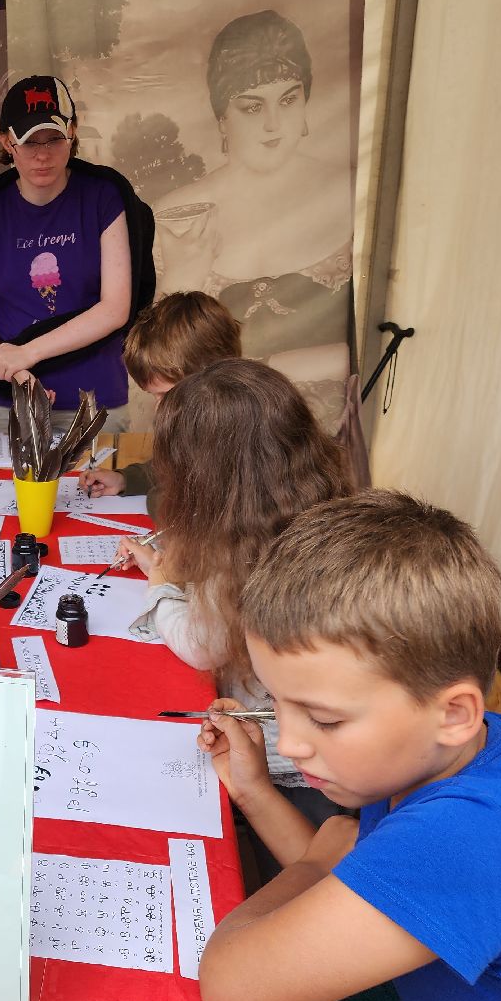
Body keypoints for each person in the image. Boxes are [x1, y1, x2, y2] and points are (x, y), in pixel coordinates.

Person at [198, 490, 501, 1001]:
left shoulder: (471, 839)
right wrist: (254, 790)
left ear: (452, 714)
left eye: (326, 719)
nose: (288, 742)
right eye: (274, 700)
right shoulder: (473, 749)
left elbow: (234, 992)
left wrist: (315, 862)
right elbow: (371, 888)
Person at [120, 359, 353, 876]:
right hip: (307, 766)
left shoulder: (239, 552)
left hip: (285, 773)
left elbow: (201, 644)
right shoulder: (322, 510)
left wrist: (161, 586)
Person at [153, 10, 358, 448]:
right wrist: (180, 279)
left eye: (288, 99)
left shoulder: (354, 196)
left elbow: (391, 337)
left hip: (329, 446)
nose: (272, 124)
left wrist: (275, 366)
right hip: (219, 445)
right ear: (222, 117)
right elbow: (157, 374)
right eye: (251, 106)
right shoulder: (178, 214)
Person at [0, 74, 155, 436]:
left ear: (72, 132)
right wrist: (17, 371)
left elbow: (116, 308)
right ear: (7, 141)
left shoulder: (104, 197)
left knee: (96, 491)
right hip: (7, 398)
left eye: (53, 138)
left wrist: (28, 353)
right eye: (28, 142)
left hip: (93, 397)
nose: (42, 154)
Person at [79, 290, 241, 514]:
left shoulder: (239, 428)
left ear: (210, 378)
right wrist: (125, 479)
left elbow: (179, 505)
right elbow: (175, 468)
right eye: (154, 395)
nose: (158, 408)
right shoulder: (200, 416)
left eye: (166, 395)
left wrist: (157, 499)